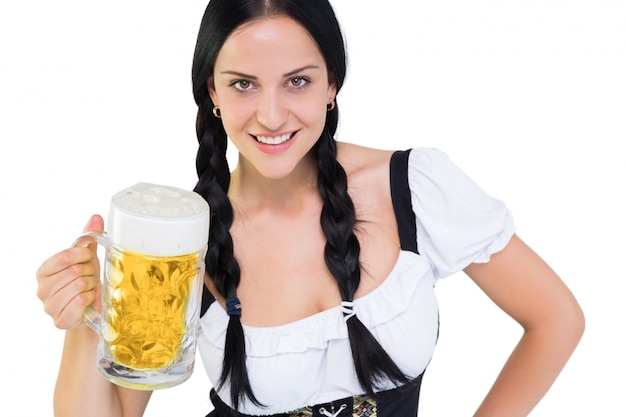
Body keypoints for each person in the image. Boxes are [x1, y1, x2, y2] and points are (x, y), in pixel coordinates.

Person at [35, 0, 585, 416]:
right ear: (213, 93)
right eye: (244, 84)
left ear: (331, 86)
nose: (271, 116)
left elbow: (555, 319)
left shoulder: (412, 187)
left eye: (297, 81)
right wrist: (85, 317)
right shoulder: (182, 239)